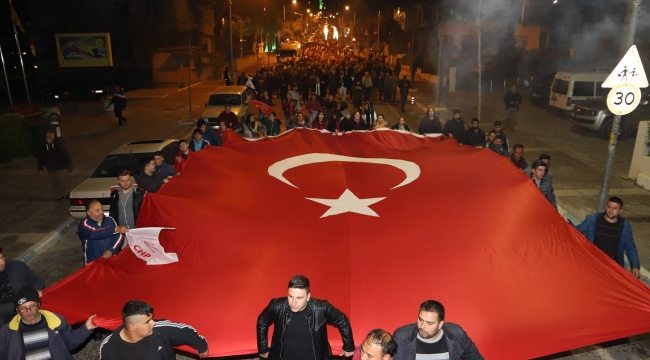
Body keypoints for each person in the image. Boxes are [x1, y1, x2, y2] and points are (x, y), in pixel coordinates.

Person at [256, 275, 355, 360]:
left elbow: (342, 320)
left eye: (299, 298)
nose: (293, 303)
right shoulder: (277, 306)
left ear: (308, 297)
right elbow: (262, 321)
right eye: (290, 296)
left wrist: (348, 346)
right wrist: (263, 348)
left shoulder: (321, 308)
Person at [0, 286, 97, 360]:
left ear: (38, 305)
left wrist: (87, 327)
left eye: (32, 306)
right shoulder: (7, 332)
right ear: (17, 310)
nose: (28, 311)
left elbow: (71, 342)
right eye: (23, 308)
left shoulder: (55, 320)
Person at [100, 300, 209, 360]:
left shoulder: (161, 330)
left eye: (151, 319)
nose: (153, 323)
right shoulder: (109, 347)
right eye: (147, 321)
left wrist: (202, 346)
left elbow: (186, 332)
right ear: (132, 327)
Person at [393, 300, 483, 360]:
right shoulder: (401, 337)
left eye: (430, 323)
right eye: (420, 320)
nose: (422, 326)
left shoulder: (457, 335)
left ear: (440, 324)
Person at [575, 197, 640, 278]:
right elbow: (575, 231)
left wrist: (635, 266)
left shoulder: (625, 226)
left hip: (611, 266)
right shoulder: (593, 220)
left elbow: (630, 247)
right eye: (609, 206)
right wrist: (566, 223)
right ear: (605, 207)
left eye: (615, 208)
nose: (611, 210)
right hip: (591, 262)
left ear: (620, 211)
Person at [0, 249, 44, 326]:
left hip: (32, 310)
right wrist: (19, 305)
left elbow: (37, 280)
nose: (2, 262)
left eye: (2, 257)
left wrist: (35, 291)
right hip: (7, 321)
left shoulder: (17, 266)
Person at [78, 199, 127, 265]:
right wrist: (115, 229)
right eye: (97, 210)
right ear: (88, 212)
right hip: (94, 263)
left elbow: (119, 236)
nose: (101, 212)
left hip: (113, 260)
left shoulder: (110, 220)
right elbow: (94, 234)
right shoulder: (83, 225)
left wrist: (111, 250)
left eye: (102, 209)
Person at [37, 131, 72, 200]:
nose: (48, 138)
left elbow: (65, 155)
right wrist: (40, 168)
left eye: (49, 137)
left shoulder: (58, 145)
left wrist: (69, 166)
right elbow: (41, 157)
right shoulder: (44, 146)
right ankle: (59, 195)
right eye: (47, 137)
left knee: (62, 181)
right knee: (54, 183)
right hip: (50, 168)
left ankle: (67, 194)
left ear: (53, 137)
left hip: (59, 167)